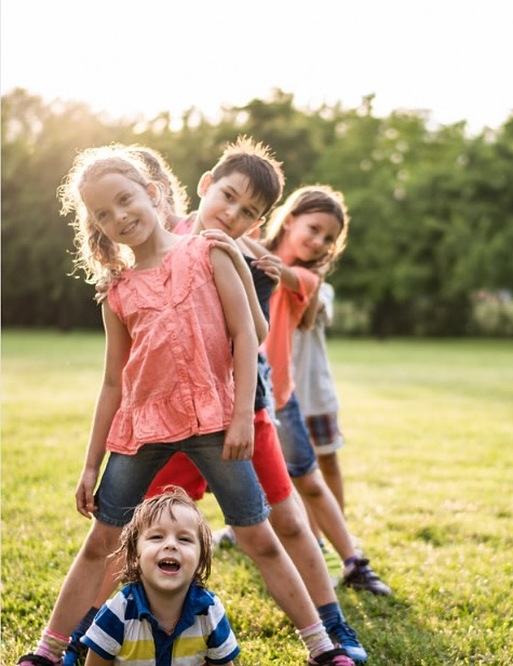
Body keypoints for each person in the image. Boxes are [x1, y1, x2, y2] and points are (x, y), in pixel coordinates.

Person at [18, 144, 355, 666]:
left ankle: (323, 645)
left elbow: (248, 335)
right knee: (102, 540)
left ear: (153, 194)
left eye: (126, 200)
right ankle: (46, 653)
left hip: (214, 424)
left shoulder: (209, 251)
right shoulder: (118, 292)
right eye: (102, 215)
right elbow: (112, 383)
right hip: (142, 430)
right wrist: (90, 465)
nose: (119, 217)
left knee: (259, 537)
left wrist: (242, 415)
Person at [246, 185, 392, 597]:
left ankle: (353, 562)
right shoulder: (250, 249)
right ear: (289, 218)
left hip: (277, 394)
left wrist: (258, 254)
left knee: (309, 480)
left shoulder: (305, 278)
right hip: (234, 392)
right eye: (313, 228)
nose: (318, 242)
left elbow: (282, 271)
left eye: (328, 238)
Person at [82, 487, 240, 665]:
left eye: (185, 539)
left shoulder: (209, 612)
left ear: (201, 560)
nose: (171, 544)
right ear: (134, 556)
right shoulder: (117, 613)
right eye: (157, 537)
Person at [292, 281, 346, 546]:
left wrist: (316, 273)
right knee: (300, 472)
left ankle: (338, 529)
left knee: (327, 461)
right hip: (281, 396)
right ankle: (315, 540)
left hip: (316, 395)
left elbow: (307, 316)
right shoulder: (267, 276)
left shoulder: (322, 287)